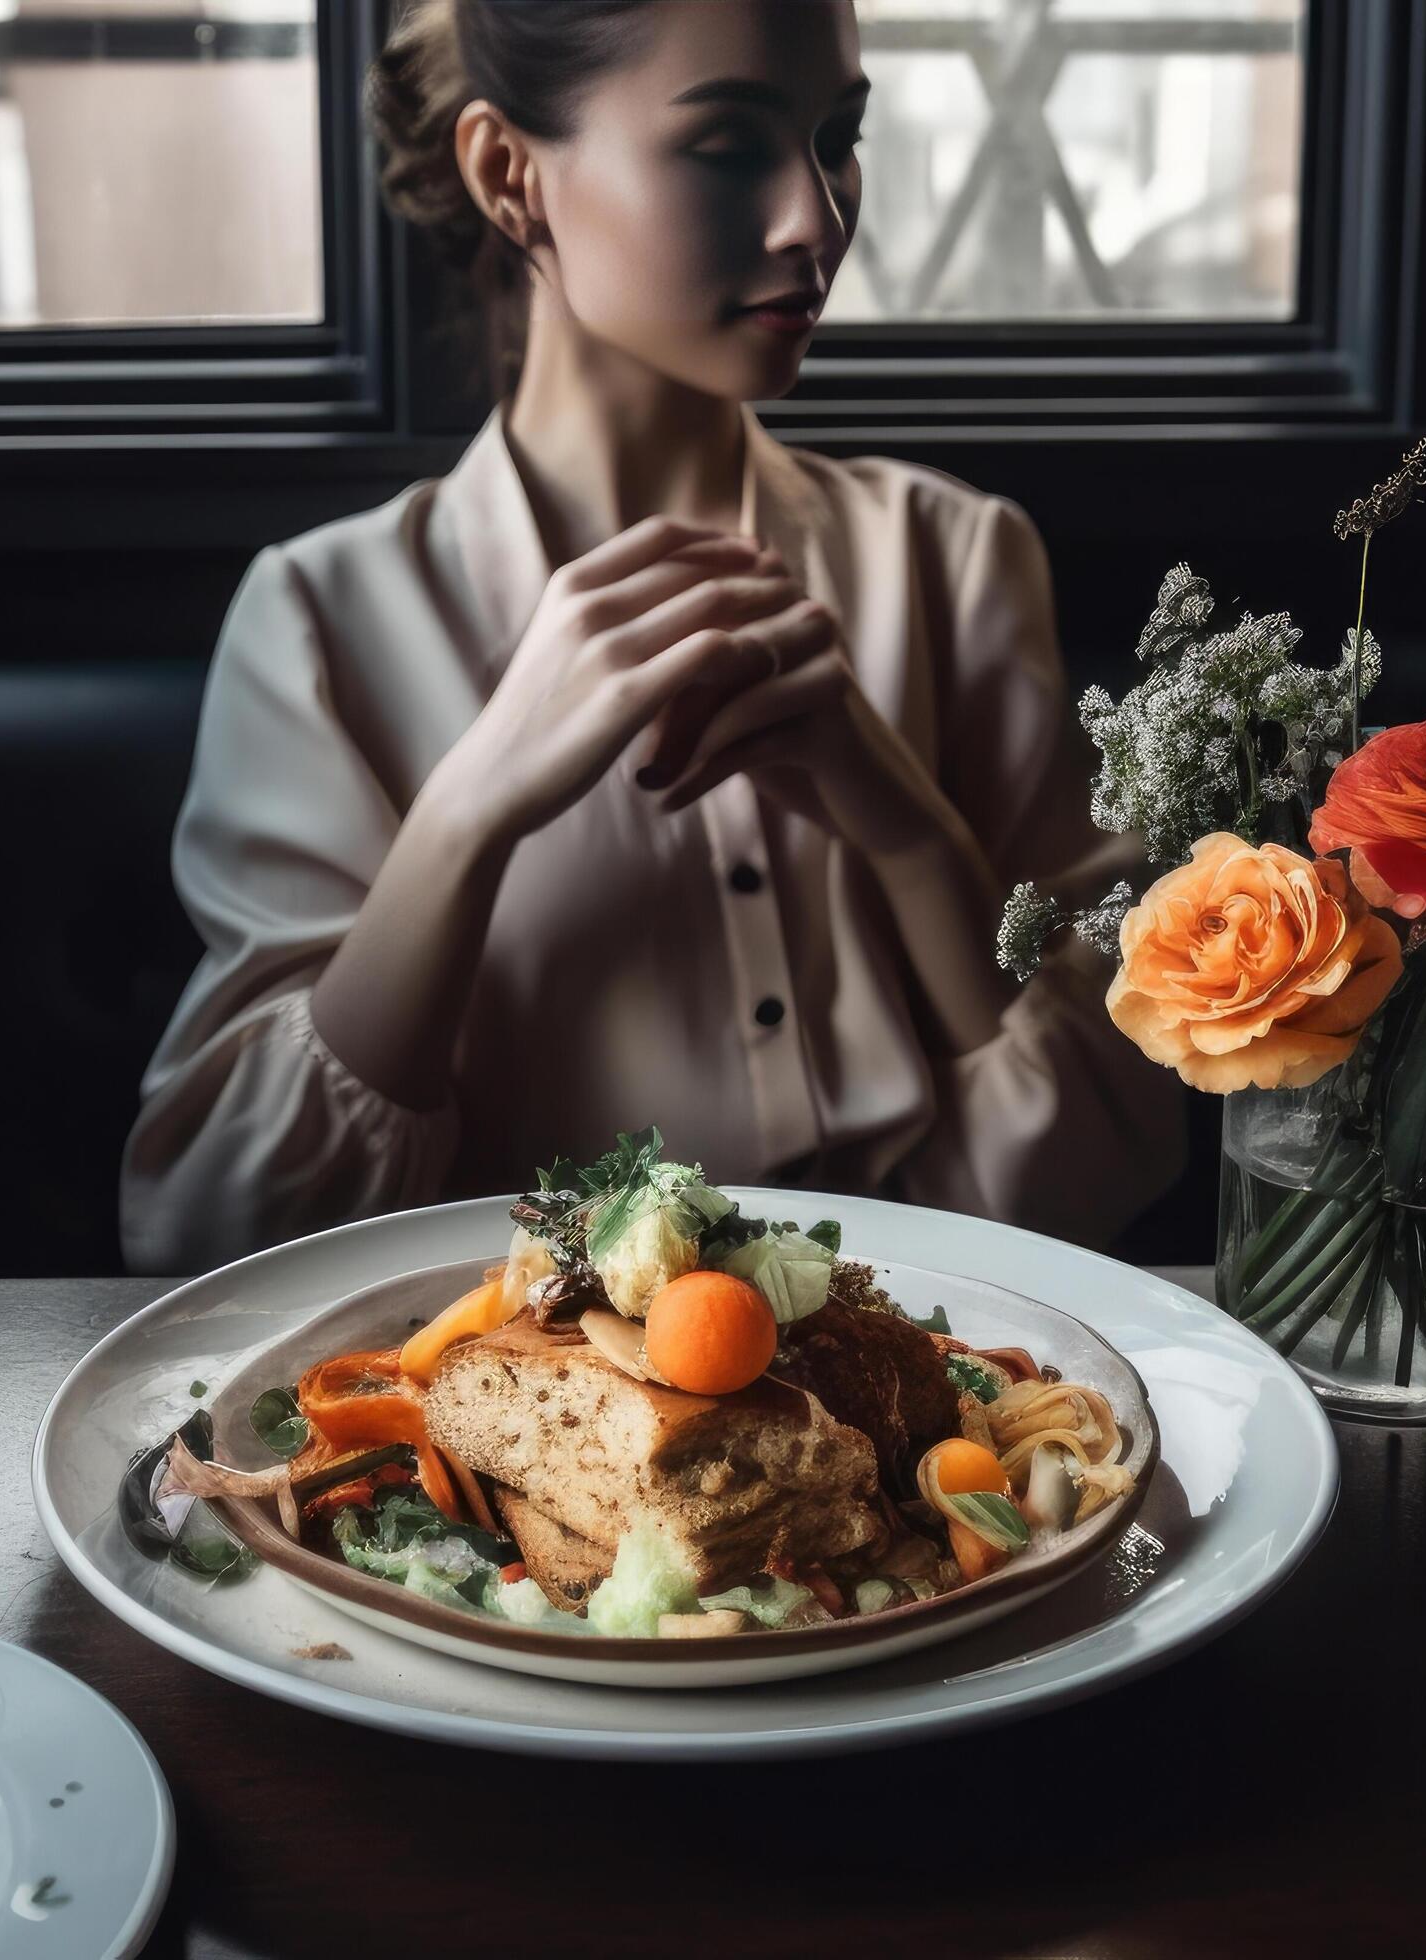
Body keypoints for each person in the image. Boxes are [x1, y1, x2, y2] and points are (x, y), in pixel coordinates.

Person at [120, 0, 1181, 1273]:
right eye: (730, 145)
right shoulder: (319, 624)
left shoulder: (954, 561)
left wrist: (904, 828)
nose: (816, 219)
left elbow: (1105, 1174)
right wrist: (467, 813)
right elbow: (206, 1239)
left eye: (835, 137)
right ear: (508, 175)